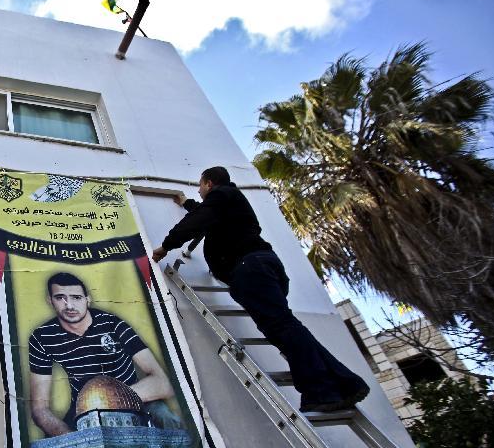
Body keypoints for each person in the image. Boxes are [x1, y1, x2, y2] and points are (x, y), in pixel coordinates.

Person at [151, 166, 369, 413]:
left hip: (250, 269)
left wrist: (167, 245)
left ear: (209, 184)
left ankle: (323, 392)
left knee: (282, 327)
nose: (199, 191)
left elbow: (200, 219)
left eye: (200, 186)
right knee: (285, 326)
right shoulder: (229, 202)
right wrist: (188, 203)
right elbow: (205, 215)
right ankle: (345, 383)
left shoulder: (221, 197)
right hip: (261, 266)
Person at [28, 272, 180, 436]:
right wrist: (77, 441)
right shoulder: (42, 338)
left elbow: (164, 383)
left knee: (166, 419)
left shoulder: (113, 324)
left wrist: (105, 401)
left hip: (134, 396)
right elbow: (39, 410)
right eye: (60, 298)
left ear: (88, 299)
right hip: (83, 406)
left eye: (76, 297)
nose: (69, 305)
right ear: (50, 301)